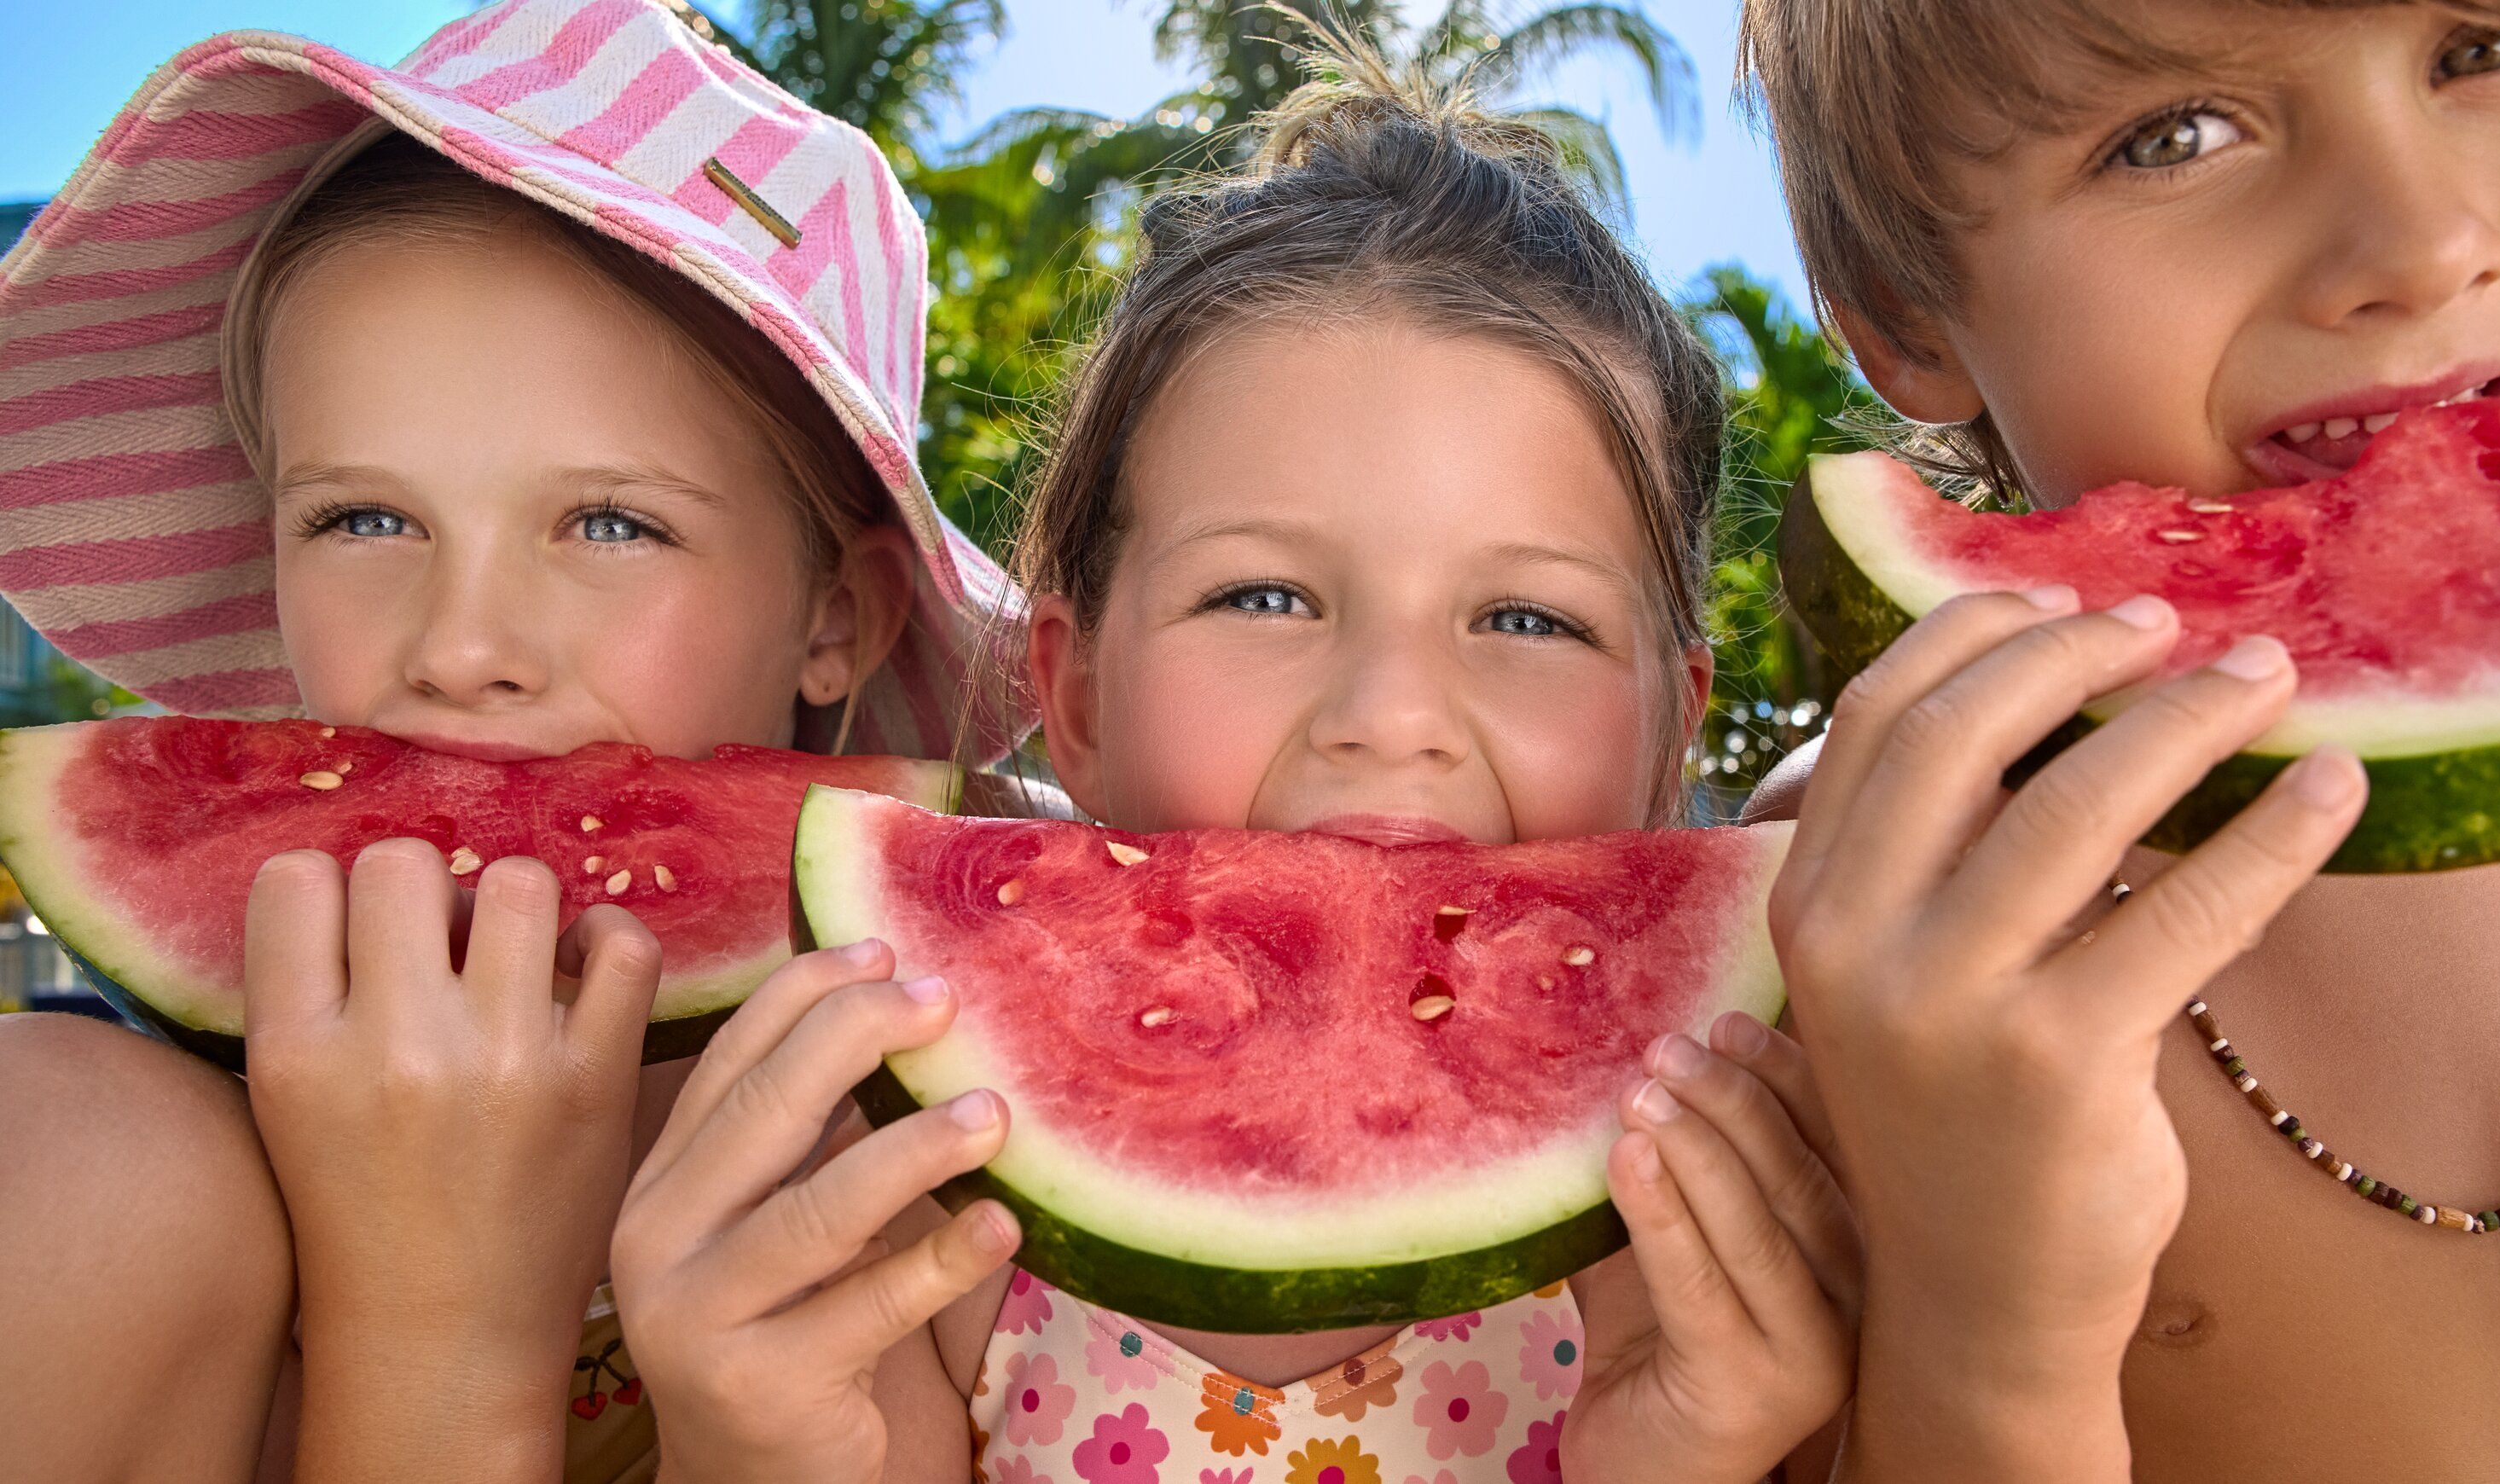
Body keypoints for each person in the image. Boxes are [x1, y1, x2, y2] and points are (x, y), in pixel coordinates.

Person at [609, 54, 1865, 1484]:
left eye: (1528, 619)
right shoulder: (908, 1198)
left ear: (1670, 726)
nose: (1390, 717)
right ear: (1072, 691)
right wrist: (747, 1442)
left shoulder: (1732, 1222)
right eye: (1264, 598)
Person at [1736, 1, 2500, 1479]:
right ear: (1903, 320)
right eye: (2169, 137)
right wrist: (1978, 1338)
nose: (2420, 242)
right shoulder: (1829, 928)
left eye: (2494, 46)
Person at [0, 3, 1031, 1478]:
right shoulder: (64, 1185)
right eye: (361, 518)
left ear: (837, 617)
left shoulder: (957, 1209)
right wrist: (440, 1339)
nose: (461, 648)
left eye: (611, 523)